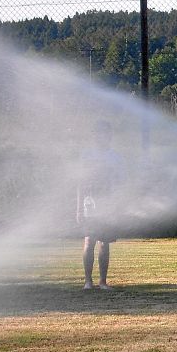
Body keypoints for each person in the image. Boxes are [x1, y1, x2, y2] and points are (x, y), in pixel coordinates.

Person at [76, 120, 126, 290]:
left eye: (105, 133)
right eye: (98, 133)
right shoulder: (87, 156)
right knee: (89, 241)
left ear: (109, 136)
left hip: (110, 207)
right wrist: (78, 209)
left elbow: (120, 184)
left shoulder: (115, 158)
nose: (102, 136)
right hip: (90, 205)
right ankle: (88, 281)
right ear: (94, 136)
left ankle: (103, 282)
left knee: (104, 242)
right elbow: (81, 182)